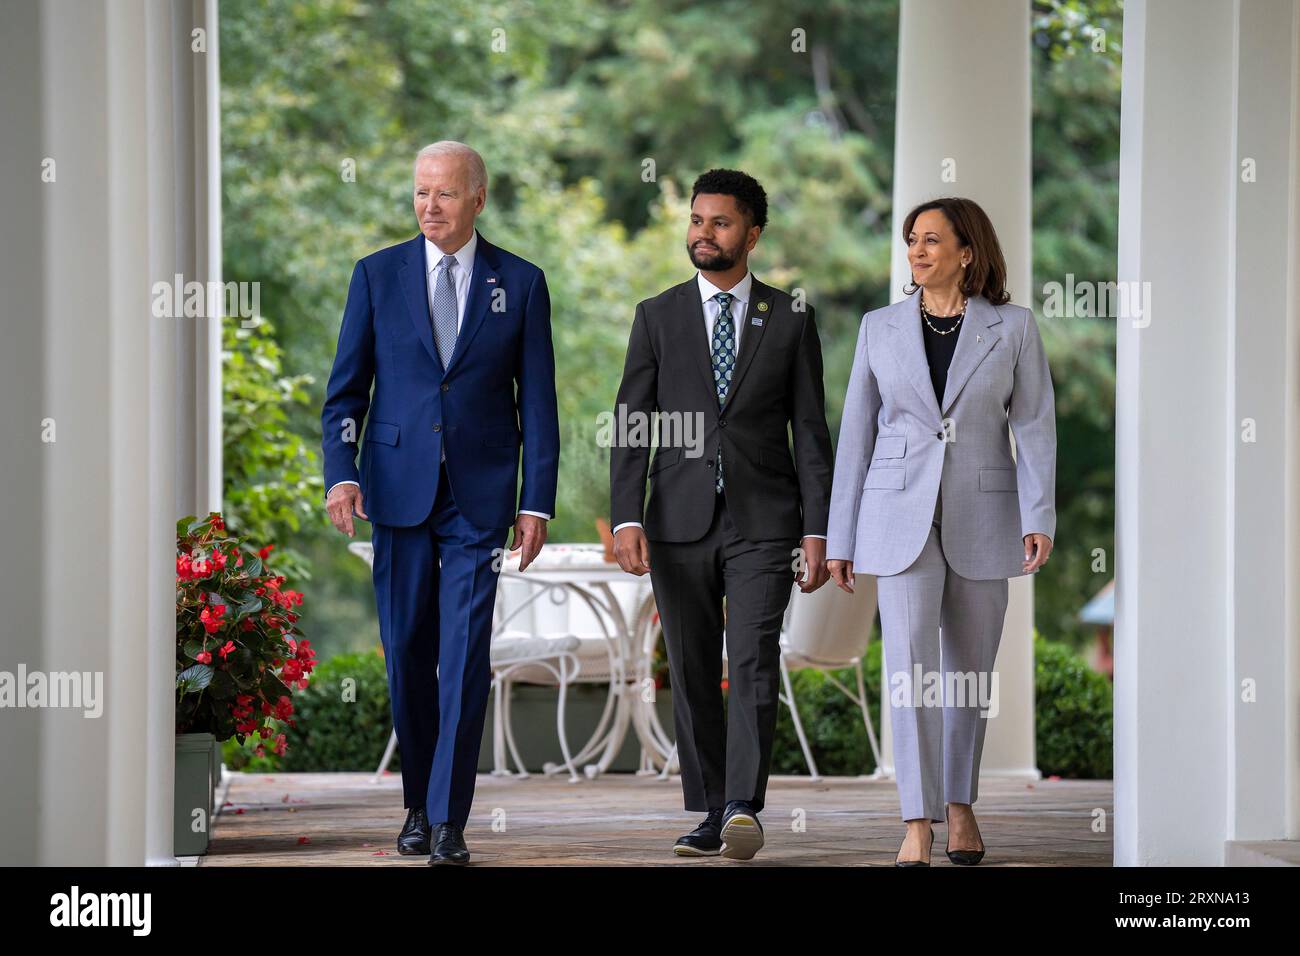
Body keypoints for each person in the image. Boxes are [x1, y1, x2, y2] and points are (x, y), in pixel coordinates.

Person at [320, 141, 559, 865]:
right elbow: (345, 393)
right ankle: (416, 806)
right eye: (421, 193)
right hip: (395, 492)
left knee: (462, 657)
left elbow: (540, 403)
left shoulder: (519, 283)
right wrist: (341, 472)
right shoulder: (376, 275)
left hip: (479, 501)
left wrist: (536, 501)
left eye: (446, 194)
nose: (430, 206)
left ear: (478, 198)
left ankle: (449, 821)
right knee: (406, 656)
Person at [609, 168, 834, 861]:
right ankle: (710, 810)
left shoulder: (791, 318)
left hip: (766, 518)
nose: (704, 234)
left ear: (753, 235)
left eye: (721, 223)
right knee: (692, 665)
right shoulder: (658, 315)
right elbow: (631, 422)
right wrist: (626, 516)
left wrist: (818, 529)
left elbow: (810, 429)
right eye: (697, 222)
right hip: (676, 520)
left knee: (754, 659)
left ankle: (742, 806)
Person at [825, 197, 1056, 866]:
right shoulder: (879, 327)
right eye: (911, 241)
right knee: (910, 673)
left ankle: (961, 807)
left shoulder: (1012, 328)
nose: (918, 252)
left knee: (967, 678)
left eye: (932, 240)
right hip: (897, 518)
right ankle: (916, 821)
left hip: (987, 518)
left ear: (967, 252)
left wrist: (1038, 516)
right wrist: (842, 538)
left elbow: (1035, 426)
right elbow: (857, 437)